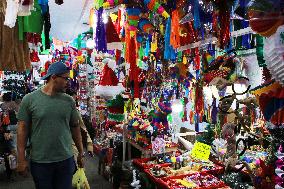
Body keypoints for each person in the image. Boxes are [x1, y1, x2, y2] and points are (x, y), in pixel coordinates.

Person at [17, 62, 84, 189]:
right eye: (65, 78)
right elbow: (22, 130)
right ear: (53, 77)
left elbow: (75, 127)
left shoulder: (68, 101)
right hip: (40, 161)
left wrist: (81, 152)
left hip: (65, 159)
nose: (68, 82)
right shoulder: (30, 99)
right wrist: (21, 159)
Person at [65, 88, 94, 165]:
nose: (74, 102)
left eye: (75, 99)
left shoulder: (75, 112)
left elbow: (82, 128)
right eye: (72, 99)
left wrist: (89, 145)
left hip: (72, 148)